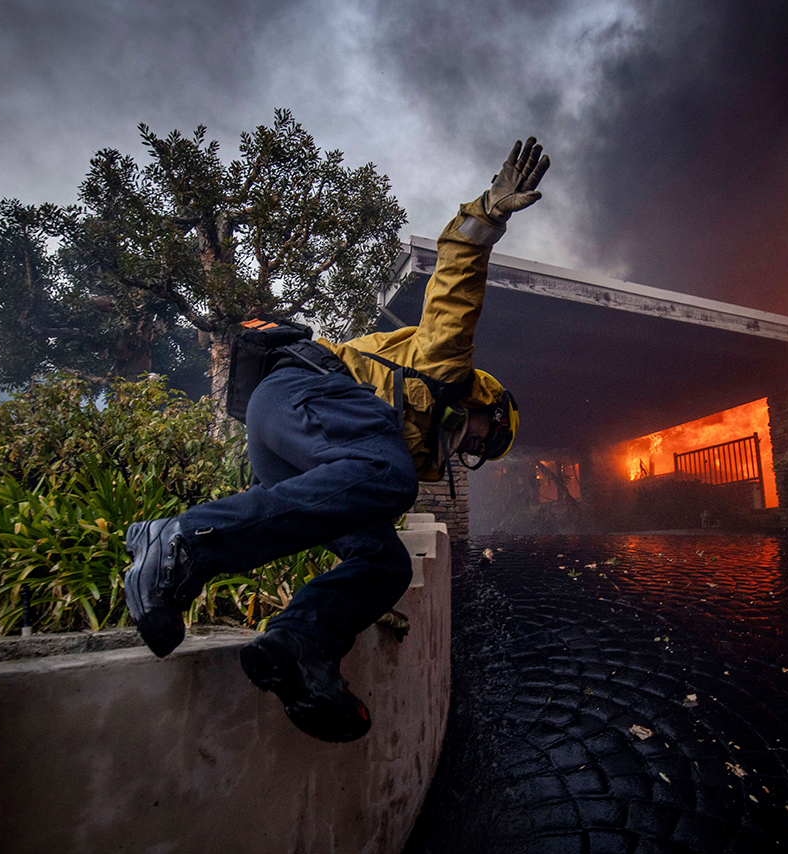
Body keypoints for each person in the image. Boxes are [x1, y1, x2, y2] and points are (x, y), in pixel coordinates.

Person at [122, 137, 550, 743]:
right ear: (487, 406)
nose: (471, 449)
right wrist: (488, 212)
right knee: (390, 476)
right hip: (300, 391)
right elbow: (457, 278)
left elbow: (332, 492)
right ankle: (180, 542)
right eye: (485, 438)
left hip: (288, 442)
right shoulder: (447, 371)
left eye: (479, 454)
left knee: (385, 561)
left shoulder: (405, 440)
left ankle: (299, 644)